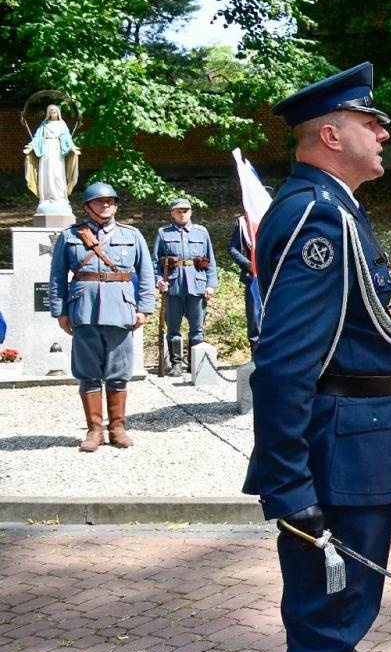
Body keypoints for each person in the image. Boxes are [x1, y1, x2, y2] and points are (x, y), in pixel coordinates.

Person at [243, 62, 391, 652]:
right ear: (330, 134)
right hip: (336, 449)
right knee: (327, 619)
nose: (383, 131)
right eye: (369, 122)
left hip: (364, 437)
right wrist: (289, 485)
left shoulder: (340, 207)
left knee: (345, 613)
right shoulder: (317, 214)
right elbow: (287, 364)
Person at [47, 181, 155, 451]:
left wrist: (144, 307)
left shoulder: (132, 235)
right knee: (88, 373)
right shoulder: (70, 236)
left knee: (119, 372)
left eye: (111, 201)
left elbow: (145, 274)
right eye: (100, 201)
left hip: (120, 308)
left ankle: (117, 427)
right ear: (87, 206)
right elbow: (57, 276)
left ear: (116, 205)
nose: (106, 205)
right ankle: (94, 430)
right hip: (84, 309)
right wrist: (59, 311)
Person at [153, 198, 219, 372]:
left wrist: (211, 284)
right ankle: (176, 364)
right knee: (173, 328)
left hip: (197, 287)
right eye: (178, 211)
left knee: (197, 328)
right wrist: (158, 280)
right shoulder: (163, 233)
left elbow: (210, 261)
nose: (182, 214)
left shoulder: (201, 232)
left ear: (191, 212)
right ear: (172, 213)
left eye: (186, 211)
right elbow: (155, 262)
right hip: (173, 287)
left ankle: (194, 363)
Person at [229, 191, 270, 349]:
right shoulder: (244, 224)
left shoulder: (278, 220)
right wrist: (248, 263)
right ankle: (255, 351)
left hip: (274, 275)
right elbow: (233, 248)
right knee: (254, 316)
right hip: (252, 276)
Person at [24, 102, 80, 213]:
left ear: (58, 113)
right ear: (48, 113)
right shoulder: (44, 124)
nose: (53, 113)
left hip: (57, 150)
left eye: (54, 112)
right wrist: (30, 147)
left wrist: (73, 148)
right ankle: (46, 198)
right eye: (51, 112)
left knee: (57, 174)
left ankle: (60, 198)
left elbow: (67, 138)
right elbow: (37, 137)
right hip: (46, 151)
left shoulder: (62, 124)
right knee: (47, 174)